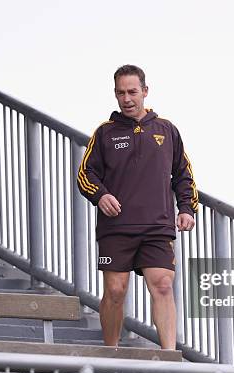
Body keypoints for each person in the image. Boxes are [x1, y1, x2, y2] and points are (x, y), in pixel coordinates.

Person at [77, 65, 198, 350]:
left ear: (145, 91)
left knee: (163, 285)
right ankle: (112, 352)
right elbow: (86, 174)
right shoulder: (104, 133)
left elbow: (183, 174)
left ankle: (169, 356)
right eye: (121, 93)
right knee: (116, 290)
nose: (127, 98)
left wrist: (186, 208)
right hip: (117, 226)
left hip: (157, 225)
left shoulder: (167, 130)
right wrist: (101, 195)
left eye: (132, 92)